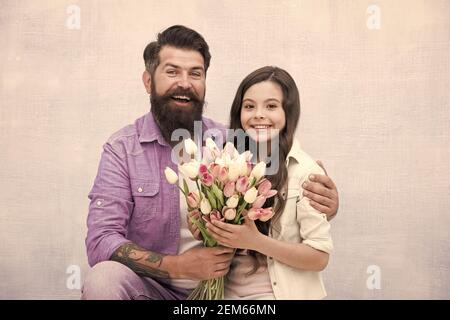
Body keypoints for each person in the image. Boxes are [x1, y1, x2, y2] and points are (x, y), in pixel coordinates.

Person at [81, 25, 339, 300]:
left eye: (196, 73)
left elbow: (286, 192)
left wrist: (327, 202)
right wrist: (177, 267)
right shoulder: (123, 149)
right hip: (152, 290)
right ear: (148, 81)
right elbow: (101, 240)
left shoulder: (234, 143)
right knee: (103, 279)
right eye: (172, 72)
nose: (185, 83)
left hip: (223, 294)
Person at [190, 66, 333, 299]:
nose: (258, 114)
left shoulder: (305, 171)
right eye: (249, 106)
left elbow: (319, 256)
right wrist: (207, 229)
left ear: (288, 113)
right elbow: (226, 238)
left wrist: (256, 241)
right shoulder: (225, 163)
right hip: (225, 294)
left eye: (271, 106)